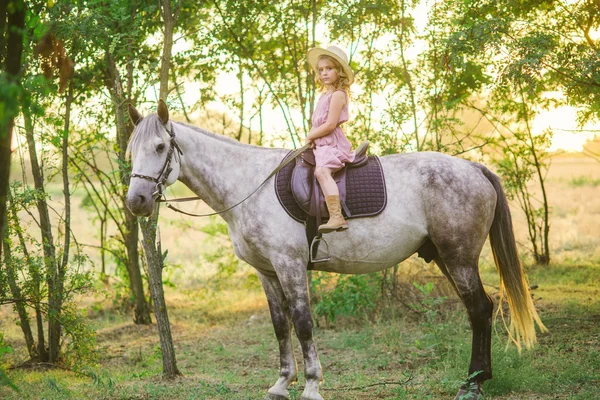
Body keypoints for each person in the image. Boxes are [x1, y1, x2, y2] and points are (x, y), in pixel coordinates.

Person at [306, 45, 356, 233]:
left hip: (332, 144)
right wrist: (312, 138)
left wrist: (311, 135)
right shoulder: (324, 96)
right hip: (320, 144)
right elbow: (317, 123)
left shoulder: (338, 95)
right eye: (321, 70)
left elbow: (329, 124)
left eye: (329, 68)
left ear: (339, 71)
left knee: (322, 172)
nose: (324, 73)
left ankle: (337, 216)